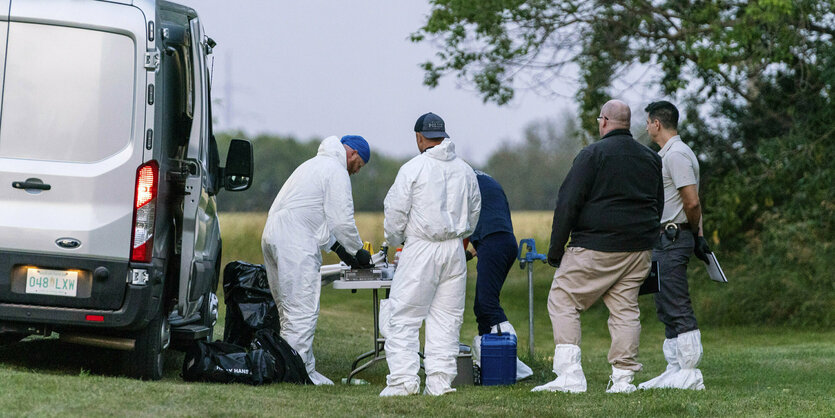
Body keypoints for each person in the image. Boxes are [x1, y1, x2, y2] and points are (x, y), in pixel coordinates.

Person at [533, 100, 663, 394]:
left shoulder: (592, 155)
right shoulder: (651, 158)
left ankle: (569, 375)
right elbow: (658, 202)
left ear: (604, 121)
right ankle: (623, 379)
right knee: (625, 309)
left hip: (596, 246)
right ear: (627, 124)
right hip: (639, 248)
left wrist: (556, 251)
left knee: (563, 298)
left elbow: (568, 202)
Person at [379, 112, 481, 396]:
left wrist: (395, 240)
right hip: (454, 251)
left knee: (404, 316)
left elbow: (395, 213)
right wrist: (460, 235)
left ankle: (403, 381)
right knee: (446, 318)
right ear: (444, 136)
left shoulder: (413, 168)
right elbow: (474, 214)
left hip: (421, 247)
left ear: (419, 138)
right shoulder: (465, 170)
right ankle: (439, 382)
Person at [261, 135, 373, 385]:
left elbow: (314, 219)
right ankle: (297, 375)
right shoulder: (336, 170)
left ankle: (296, 366)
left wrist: (340, 251)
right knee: (301, 310)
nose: (356, 171)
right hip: (294, 243)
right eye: (360, 165)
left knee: (287, 311)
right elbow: (342, 220)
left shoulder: (311, 165)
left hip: (272, 236)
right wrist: (358, 251)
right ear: (354, 154)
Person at [638, 101, 711, 391]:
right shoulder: (667, 154)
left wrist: (696, 235)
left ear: (657, 123)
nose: (646, 127)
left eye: (647, 122)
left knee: (676, 302)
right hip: (664, 238)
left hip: (673, 237)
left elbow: (691, 201)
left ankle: (690, 372)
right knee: (665, 302)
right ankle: (675, 368)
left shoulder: (677, 155)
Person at [466, 170, 533, 381]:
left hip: (493, 241)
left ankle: (513, 365)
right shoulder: (482, 178)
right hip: (501, 241)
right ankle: (489, 364)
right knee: (482, 306)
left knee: (487, 304)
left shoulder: (459, 178)